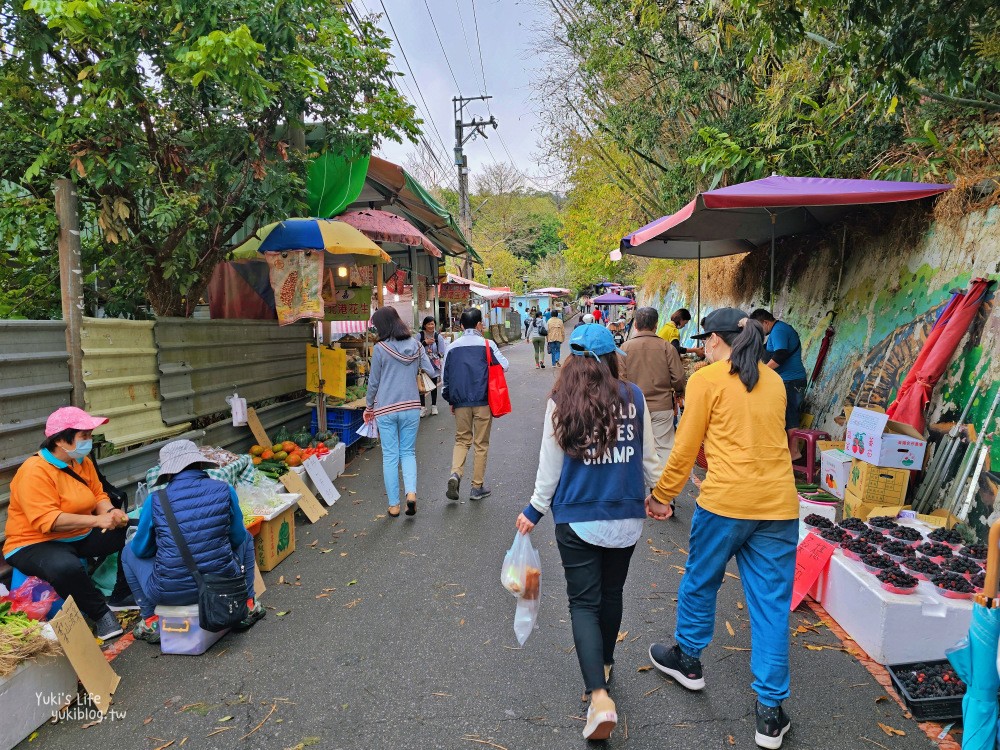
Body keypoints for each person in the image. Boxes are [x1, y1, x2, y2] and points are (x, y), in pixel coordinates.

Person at [644, 308, 798, 750]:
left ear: (715, 340)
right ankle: (770, 713)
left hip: (726, 503)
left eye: (705, 341)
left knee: (700, 580)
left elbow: (686, 446)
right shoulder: (774, 382)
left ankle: (688, 660)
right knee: (770, 606)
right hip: (778, 506)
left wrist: (662, 495)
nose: (702, 348)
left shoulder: (706, 380)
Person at [515, 324, 659, 741]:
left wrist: (534, 511)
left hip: (577, 518)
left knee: (583, 603)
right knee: (611, 595)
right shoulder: (633, 397)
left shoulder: (561, 401)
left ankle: (598, 696)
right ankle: (606, 664)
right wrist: (661, 496)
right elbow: (648, 458)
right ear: (613, 356)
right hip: (626, 517)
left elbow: (550, 467)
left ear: (572, 358)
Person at [3, 407, 131, 640]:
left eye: (90, 435)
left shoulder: (81, 461)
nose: (89, 441)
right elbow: (48, 521)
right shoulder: (34, 471)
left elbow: (98, 494)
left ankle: (121, 593)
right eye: (84, 436)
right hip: (33, 543)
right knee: (65, 567)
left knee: (128, 531)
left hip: (77, 535)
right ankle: (101, 614)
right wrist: (97, 519)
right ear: (61, 440)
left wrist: (111, 513)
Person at [123, 440, 265, 643]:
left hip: (169, 593)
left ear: (168, 473)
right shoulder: (224, 489)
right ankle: (248, 604)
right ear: (200, 464)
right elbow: (237, 538)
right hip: (224, 585)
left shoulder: (155, 500)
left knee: (127, 552)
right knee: (246, 538)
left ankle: (151, 620)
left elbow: (141, 550)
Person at [364, 307, 436, 517]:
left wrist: (369, 407)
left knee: (390, 456)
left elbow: (374, 383)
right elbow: (431, 371)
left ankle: (394, 505)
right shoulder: (416, 344)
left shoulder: (380, 349)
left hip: (386, 408)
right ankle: (411, 494)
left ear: (383, 326)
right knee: (408, 452)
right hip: (412, 407)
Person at [619, 307, 686, 511]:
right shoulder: (667, 347)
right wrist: (679, 391)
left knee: (632, 447)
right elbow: (678, 378)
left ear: (636, 325)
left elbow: (619, 379)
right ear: (656, 325)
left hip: (633, 406)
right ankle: (663, 495)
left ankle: (631, 493)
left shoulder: (625, 347)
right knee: (664, 447)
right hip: (661, 406)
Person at [441, 307, 509, 502]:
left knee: (462, 440)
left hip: (460, 402)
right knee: (481, 444)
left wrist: (451, 399)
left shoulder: (452, 347)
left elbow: (445, 377)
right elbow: (504, 365)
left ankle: (455, 473)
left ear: (461, 326)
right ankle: (476, 487)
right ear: (479, 324)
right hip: (483, 402)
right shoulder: (488, 344)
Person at [749, 309, 808, 448]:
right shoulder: (778, 330)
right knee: (787, 415)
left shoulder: (779, 330)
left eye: (759, 327)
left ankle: (794, 452)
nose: (759, 331)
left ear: (766, 322)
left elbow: (780, 355)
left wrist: (761, 372)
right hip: (788, 380)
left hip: (791, 380)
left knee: (790, 415)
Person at [416, 316, 449, 418]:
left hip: (434, 364)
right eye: (429, 324)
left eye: (432, 324)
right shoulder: (419, 335)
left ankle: (434, 406)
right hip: (422, 364)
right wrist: (424, 343)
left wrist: (436, 354)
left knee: (433, 385)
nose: (431, 326)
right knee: (422, 386)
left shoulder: (437, 336)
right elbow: (414, 349)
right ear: (424, 325)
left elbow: (442, 351)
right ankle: (422, 407)